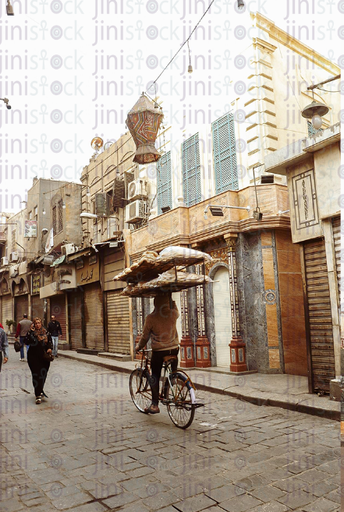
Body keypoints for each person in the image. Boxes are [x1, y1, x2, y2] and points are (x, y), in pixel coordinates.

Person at [135, 292, 179, 414]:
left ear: (155, 303)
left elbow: (145, 337)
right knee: (172, 371)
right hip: (174, 349)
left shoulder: (151, 318)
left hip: (159, 351)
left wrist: (138, 347)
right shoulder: (173, 314)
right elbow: (174, 307)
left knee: (155, 376)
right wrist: (170, 297)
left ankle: (154, 405)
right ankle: (173, 378)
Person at [25, 317, 53, 404]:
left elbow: (50, 342)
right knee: (36, 374)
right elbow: (26, 341)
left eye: (39, 323)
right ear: (33, 324)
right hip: (33, 357)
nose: (37, 325)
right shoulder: (31, 333)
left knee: (43, 374)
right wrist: (30, 332)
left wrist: (49, 349)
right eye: (36, 323)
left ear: (41, 323)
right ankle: (38, 394)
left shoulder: (46, 332)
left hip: (44, 357)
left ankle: (40, 389)